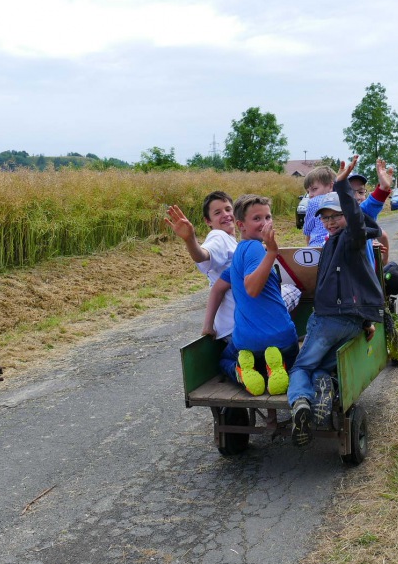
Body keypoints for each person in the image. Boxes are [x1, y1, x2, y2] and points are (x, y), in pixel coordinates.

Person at [287, 159, 386, 447]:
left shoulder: (349, 239)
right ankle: (324, 389)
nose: (330, 222)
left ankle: (300, 403)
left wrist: (342, 185)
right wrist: (367, 322)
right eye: (325, 218)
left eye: (336, 216)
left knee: (300, 368)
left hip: (331, 319)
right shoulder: (333, 242)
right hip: (351, 322)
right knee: (320, 367)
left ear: (347, 215)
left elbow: (356, 220)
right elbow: (356, 282)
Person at [203, 194, 299, 396]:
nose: (265, 223)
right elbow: (252, 288)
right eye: (257, 219)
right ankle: (276, 367)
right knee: (291, 352)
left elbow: (218, 288)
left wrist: (208, 325)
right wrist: (272, 252)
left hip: (248, 344)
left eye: (268, 217)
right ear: (241, 225)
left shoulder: (239, 252)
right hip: (283, 342)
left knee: (226, 359)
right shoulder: (256, 248)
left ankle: (244, 370)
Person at [164, 192, 236, 340]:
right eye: (217, 212)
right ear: (208, 221)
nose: (225, 214)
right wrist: (190, 240)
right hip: (235, 326)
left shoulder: (233, 242)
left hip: (235, 324)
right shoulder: (218, 236)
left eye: (228, 209)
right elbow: (202, 255)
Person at [301, 164, 336, 247]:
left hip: (318, 246)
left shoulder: (314, 202)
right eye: (308, 191)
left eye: (314, 189)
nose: (310, 195)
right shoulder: (341, 200)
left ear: (331, 186)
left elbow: (307, 230)